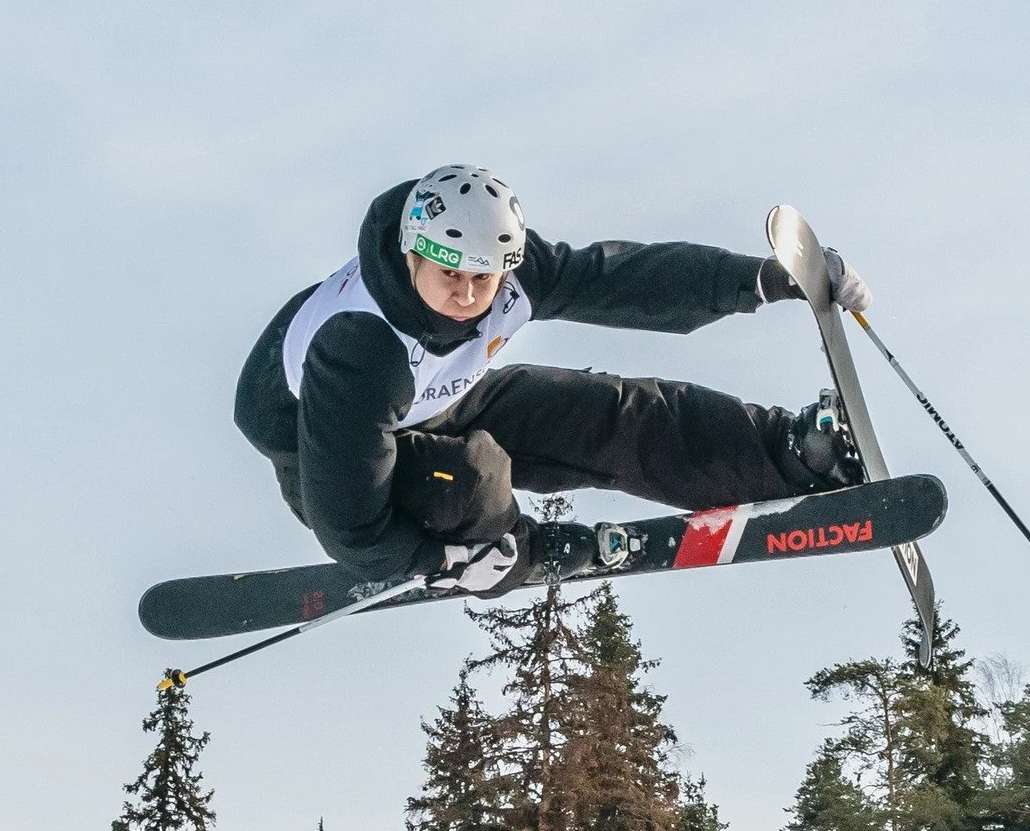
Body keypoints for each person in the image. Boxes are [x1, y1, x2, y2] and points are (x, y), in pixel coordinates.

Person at [234, 165, 873, 594]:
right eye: (448, 274)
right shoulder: (359, 351)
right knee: (471, 482)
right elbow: (347, 522)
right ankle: (519, 549)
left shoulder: (517, 274)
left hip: (439, 398)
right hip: (323, 447)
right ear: (411, 254)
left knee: (610, 412)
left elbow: (626, 281)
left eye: (482, 277)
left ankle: (793, 455)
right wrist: (434, 561)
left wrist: (759, 280)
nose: (465, 294)